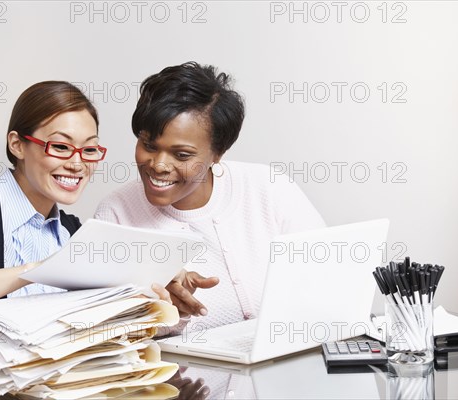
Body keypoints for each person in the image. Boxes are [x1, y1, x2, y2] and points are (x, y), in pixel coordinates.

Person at [0, 81, 168, 358]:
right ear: (17, 144)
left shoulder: (73, 231)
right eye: (61, 147)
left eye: (89, 150)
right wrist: (36, 271)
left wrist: (143, 296)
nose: (77, 164)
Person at [94, 62, 326, 332]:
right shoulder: (115, 215)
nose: (158, 165)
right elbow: (113, 336)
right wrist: (168, 314)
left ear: (218, 152)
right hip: (182, 374)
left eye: (182, 155)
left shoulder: (269, 189)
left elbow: (327, 281)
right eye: (148, 145)